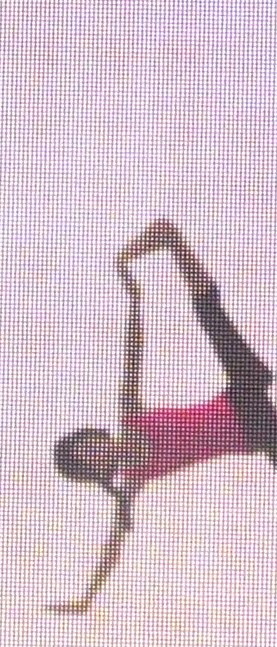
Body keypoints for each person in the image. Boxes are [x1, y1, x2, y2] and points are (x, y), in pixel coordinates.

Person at [51, 219, 277, 613]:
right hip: (260, 436)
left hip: (240, 396)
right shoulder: (132, 481)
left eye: (87, 444)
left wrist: (135, 299)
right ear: (96, 472)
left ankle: (172, 241)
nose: (95, 452)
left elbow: (133, 352)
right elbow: (113, 544)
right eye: (88, 459)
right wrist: (86, 597)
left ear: (97, 435)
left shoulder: (130, 416)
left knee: (212, 317)